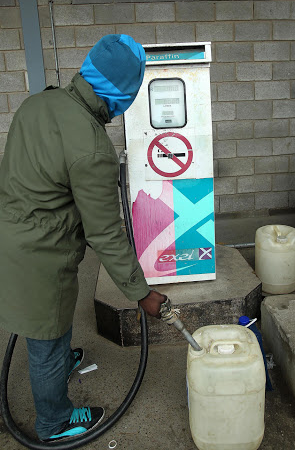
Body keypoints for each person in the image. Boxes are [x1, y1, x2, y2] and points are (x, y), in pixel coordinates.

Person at [0, 34, 166, 442]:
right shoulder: (92, 147)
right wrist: (140, 293)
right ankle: (54, 422)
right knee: (45, 337)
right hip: (41, 254)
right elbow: (106, 233)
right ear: (121, 96)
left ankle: (60, 361)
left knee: (50, 322)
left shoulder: (38, 103)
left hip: (12, 234)